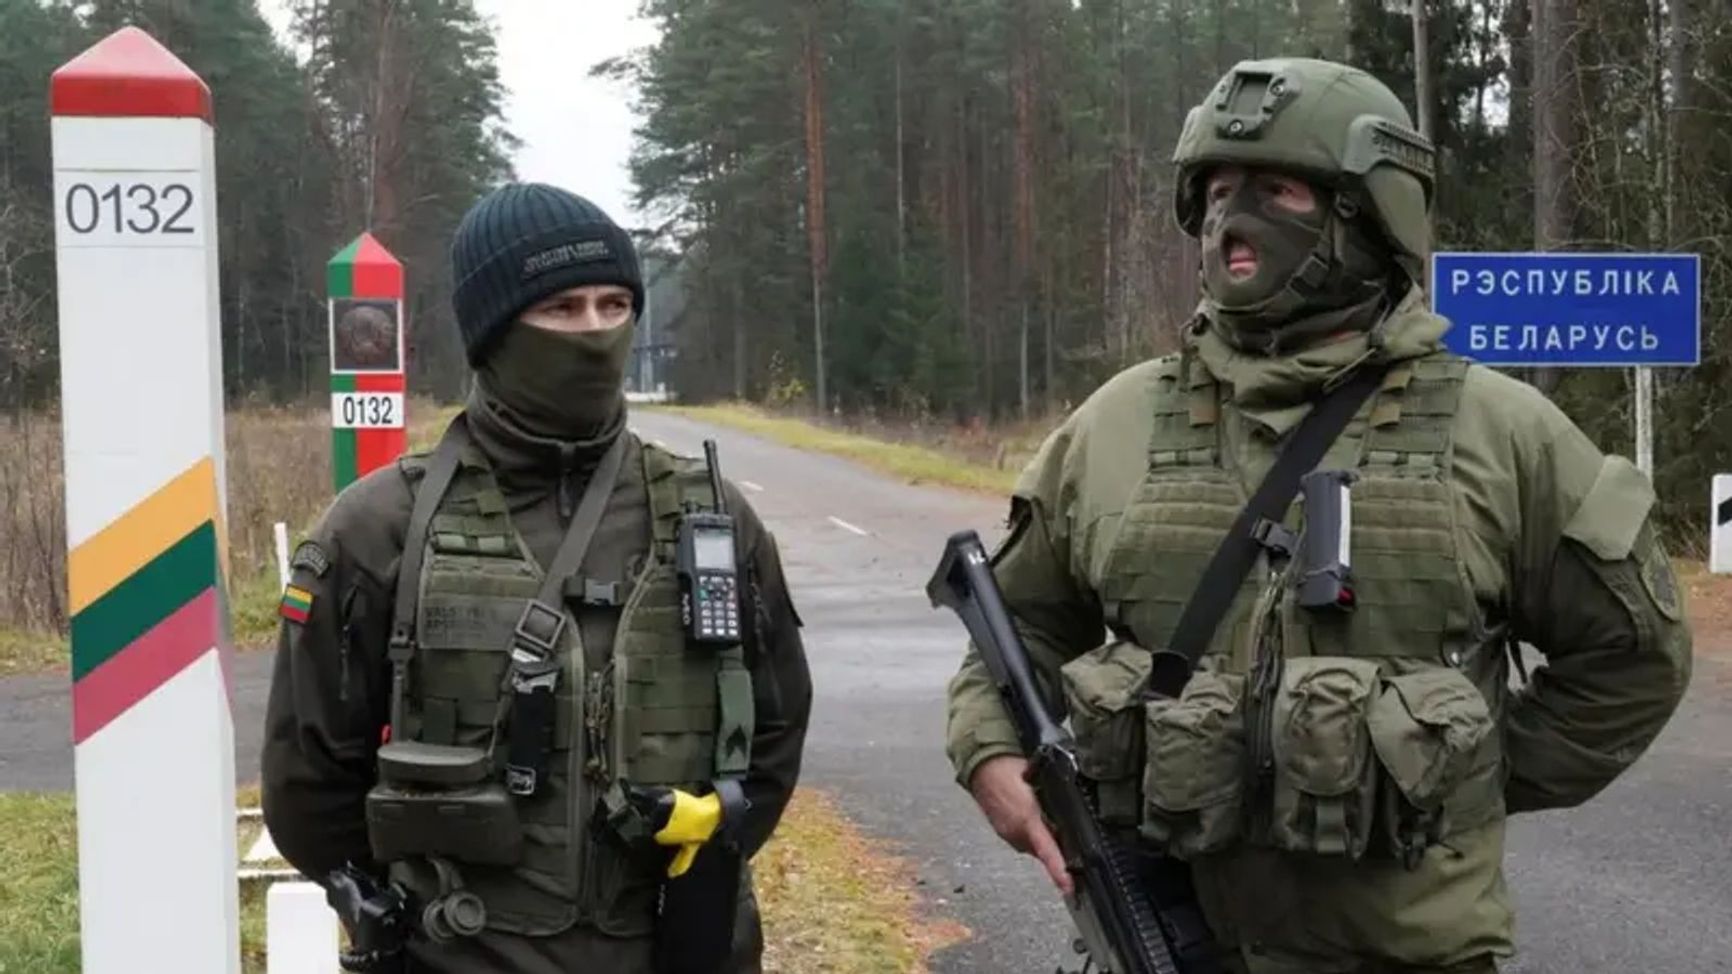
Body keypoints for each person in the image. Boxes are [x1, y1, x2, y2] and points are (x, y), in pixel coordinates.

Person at [944, 57, 1692, 973]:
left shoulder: (1500, 434)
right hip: (1165, 941)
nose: (1233, 222)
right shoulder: (1116, 426)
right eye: (1217, 191)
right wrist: (988, 753)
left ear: (1368, 217)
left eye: (1279, 189)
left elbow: (1633, 657)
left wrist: (1451, 769)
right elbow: (1016, 628)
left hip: (1407, 954)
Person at [263, 182, 814, 974]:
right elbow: (308, 784)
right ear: (492, 331)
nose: (593, 331)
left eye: (613, 303)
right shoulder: (380, 527)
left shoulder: (711, 515)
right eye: (560, 309)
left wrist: (699, 863)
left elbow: (774, 731)